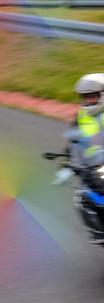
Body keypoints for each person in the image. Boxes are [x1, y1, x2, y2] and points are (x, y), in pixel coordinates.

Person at [68, 74, 104, 242]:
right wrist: (71, 164)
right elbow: (75, 142)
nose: (89, 101)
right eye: (86, 97)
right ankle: (100, 232)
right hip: (94, 168)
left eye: (93, 96)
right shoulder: (80, 118)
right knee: (82, 197)